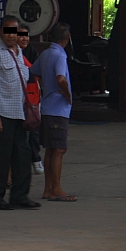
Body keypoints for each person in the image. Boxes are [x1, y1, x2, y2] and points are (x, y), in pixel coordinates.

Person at [0, 14, 41, 211]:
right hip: (3, 113)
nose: (11, 35)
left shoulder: (18, 52)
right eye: (7, 31)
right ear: (0, 32)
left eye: (14, 31)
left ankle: (19, 196)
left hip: (20, 113)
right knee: (1, 158)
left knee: (22, 157)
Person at [32, 22, 76, 202]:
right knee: (59, 149)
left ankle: (48, 189)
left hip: (47, 106)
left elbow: (33, 71)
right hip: (58, 108)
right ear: (67, 38)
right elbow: (60, 78)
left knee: (51, 149)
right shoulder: (59, 56)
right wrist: (67, 95)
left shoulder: (46, 53)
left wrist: (46, 86)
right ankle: (56, 188)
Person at [17, 25, 44, 175]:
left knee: (34, 128)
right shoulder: (11, 53)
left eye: (26, 36)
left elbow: (37, 72)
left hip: (33, 97)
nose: (24, 39)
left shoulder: (31, 51)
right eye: (21, 35)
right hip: (17, 99)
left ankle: (35, 158)